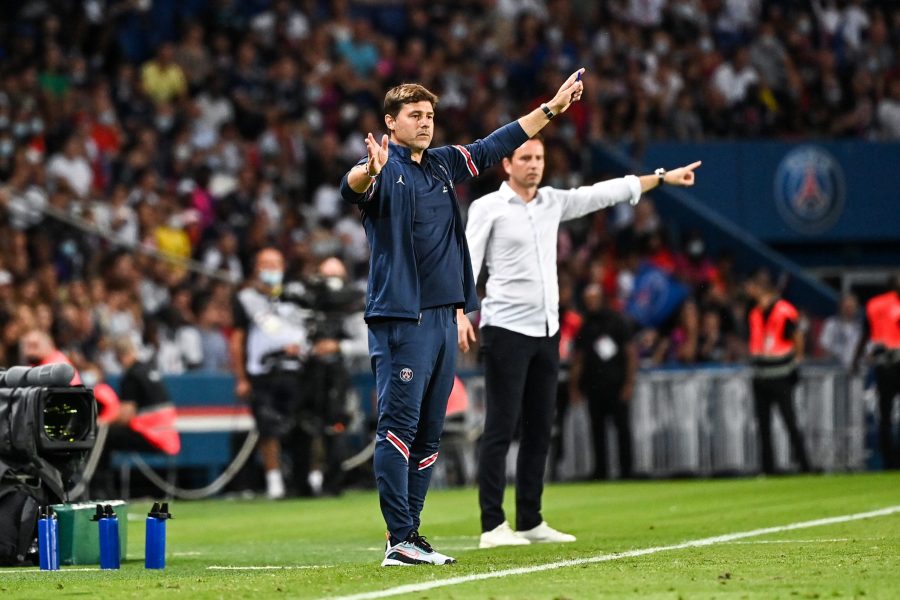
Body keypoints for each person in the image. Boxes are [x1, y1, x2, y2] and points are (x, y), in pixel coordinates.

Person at [339, 69, 587, 566]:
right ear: (391, 123)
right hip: (401, 318)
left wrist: (552, 108)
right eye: (415, 115)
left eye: (430, 115)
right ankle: (398, 537)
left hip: (443, 317)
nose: (426, 123)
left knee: (430, 430)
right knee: (398, 424)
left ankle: (410, 533)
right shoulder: (382, 169)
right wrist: (369, 168)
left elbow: (497, 144)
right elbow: (352, 186)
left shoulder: (442, 164)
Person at [458, 135, 700, 548]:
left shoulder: (552, 201)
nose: (534, 164)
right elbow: (466, 260)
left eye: (539, 157)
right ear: (506, 164)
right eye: (525, 158)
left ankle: (531, 519)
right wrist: (460, 312)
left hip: (547, 330)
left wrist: (661, 178)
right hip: (505, 330)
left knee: (540, 428)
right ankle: (493, 525)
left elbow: (603, 194)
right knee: (501, 426)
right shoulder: (488, 208)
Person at [231, 248, 310, 499]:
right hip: (263, 371)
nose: (271, 269)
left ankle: (306, 480)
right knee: (268, 428)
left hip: (297, 369)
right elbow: (237, 339)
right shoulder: (246, 298)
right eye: (266, 264)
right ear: (256, 267)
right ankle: (274, 481)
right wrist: (241, 377)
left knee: (305, 426)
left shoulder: (296, 296)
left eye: (276, 263)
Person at [744, 269, 812, 474]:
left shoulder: (784, 309)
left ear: (759, 287)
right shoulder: (755, 312)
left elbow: (797, 334)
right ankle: (768, 468)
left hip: (781, 372)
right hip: (761, 373)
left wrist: (797, 360)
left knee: (789, 421)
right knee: (763, 424)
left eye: (751, 287)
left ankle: (805, 466)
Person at [570, 284, 637, 482]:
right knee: (596, 430)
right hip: (594, 386)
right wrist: (575, 386)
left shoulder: (617, 322)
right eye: (587, 300)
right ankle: (601, 471)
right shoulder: (585, 325)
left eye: (593, 299)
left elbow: (631, 354)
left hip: (616, 385)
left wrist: (628, 384)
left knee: (622, 428)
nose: (590, 304)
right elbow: (579, 358)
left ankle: (627, 470)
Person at [855, 274, 900, 469]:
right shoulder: (882, 305)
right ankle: (890, 461)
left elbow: (865, 334)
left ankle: (889, 461)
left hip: (884, 365)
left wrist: (855, 359)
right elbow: (867, 333)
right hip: (890, 363)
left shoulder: (874, 305)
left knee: (885, 414)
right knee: (885, 414)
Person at [818, 293, 862, 370]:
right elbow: (823, 345)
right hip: (835, 368)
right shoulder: (831, 324)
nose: (849, 310)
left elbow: (869, 349)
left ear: (856, 308)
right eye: (846, 307)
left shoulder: (862, 327)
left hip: (856, 369)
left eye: (851, 307)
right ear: (840, 307)